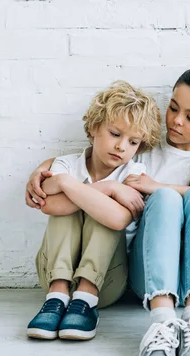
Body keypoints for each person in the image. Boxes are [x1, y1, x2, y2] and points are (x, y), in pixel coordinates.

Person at [26, 68, 190, 356]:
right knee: (164, 203)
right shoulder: (144, 146)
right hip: (152, 277)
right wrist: (43, 168)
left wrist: (162, 187)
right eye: (172, 108)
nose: (176, 121)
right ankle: (161, 321)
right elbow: (92, 159)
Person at [25, 81, 162, 341]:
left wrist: (69, 187)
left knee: (103, 213)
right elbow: (49, 205)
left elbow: (119, 218)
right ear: (93, 129)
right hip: (53, 272)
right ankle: (57, 296)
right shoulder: (67, 165)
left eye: (133, 141)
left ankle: (85, 300)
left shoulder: (133, 174)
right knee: (74, 206)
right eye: (115, 133)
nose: (122, 146)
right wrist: (105, 187)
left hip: (105, 282)